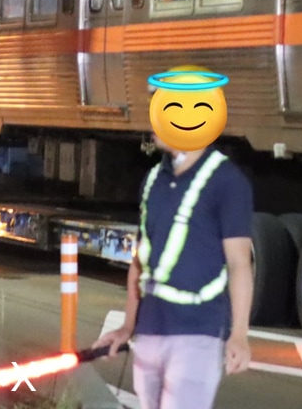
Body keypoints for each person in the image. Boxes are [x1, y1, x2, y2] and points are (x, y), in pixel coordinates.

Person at [94, 68, 254, 409]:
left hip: (197, 334)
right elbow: (141, 261)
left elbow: (240, 263)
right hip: (150, 334)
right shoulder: (153, 179)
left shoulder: (227, 182)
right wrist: (127, 327)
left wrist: (239, 333)